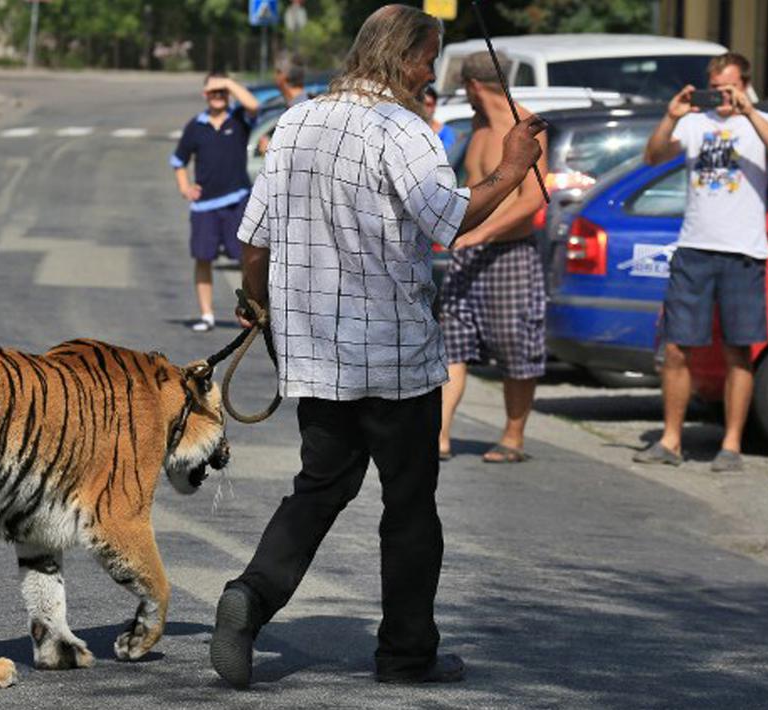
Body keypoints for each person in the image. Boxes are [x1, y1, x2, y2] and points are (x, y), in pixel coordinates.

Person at [209, 5, 546, 689]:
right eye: (427, 59)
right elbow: (449, 218)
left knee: (319, 488)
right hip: (394, 355)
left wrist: (256, 303)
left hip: (314, 354)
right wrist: (513, 167)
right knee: (410, 506)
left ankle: (252, 594)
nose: (430, 74)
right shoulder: (402, 128)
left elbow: (254, 241)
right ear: (402, 57)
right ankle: (405, 653)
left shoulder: (295, 121)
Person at [635, 52, 768, 472]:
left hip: (744, 251)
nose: (722, 96)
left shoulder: (767, 121)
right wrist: (671, 117)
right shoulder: (694, 123)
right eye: (716, 88)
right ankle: (670, 440)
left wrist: (749, 112)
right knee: (676, 348)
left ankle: (732, 445)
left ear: (745, 86)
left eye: (730, 88)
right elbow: (652, 157)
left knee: (738, 349)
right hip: (695, 248)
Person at [437, 52, 549, 464]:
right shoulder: (478, 124)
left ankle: (512, 438)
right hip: (467, 252)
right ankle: (439, 435)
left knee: (516, 347)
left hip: (510, 253)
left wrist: (481, 233)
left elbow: (534, 198)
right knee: (451, 344)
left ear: (473, 86)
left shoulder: (526, 125)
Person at [170, 72, 260, 332]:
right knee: (203, 258)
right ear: (204, 94)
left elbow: (254, 105)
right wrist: (185, 187)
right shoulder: (195, 126)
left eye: (222, 92)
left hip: (236, 201)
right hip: (204, 207)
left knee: (246, 260)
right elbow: (178, 161)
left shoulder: (239, 118)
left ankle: (249, 313)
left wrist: (228, 83)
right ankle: (206, 315)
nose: (218, 96)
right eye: (213, 91)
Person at [423, 86, 457, 153]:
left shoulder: (446, 133)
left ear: (434, 106)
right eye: (422, 104)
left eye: (428, 105)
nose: (424, 108)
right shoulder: (410, 129)